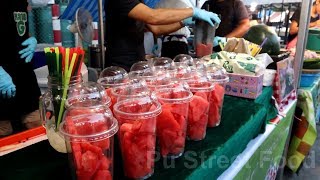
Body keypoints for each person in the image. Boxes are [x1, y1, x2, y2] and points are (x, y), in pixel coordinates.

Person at [104, 0, 221, 71]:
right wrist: (193, 11)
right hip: (119, 66)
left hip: (136, 63)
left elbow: (156, 29)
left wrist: (183, 22)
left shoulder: (138, 3)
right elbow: (153, 16)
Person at [0, 0, 41, 136]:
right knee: (4, 132)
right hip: (2, 80)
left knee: (36, 125)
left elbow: (15, 30)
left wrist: (32, 39)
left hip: (25, 77)